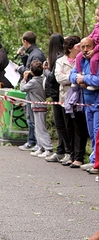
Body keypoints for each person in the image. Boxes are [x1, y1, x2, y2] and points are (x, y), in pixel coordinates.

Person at [55, 35, 88, 169]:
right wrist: (74, 77)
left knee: (79, 127)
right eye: (78, 46)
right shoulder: (61, 61)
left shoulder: (83, 60)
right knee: (68, 126)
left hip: (80, 98)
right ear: (70, 48)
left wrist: (73, 77)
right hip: (65, 97)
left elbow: (84, 76)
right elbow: (59, 77)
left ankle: (79, 156)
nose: (81, 48)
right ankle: (71, 154)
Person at [70, 37, 99, 176]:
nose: (86, 50)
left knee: (97, 132)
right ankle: (94, 160)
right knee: (92, 134)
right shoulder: (81, 60)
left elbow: (98, 79)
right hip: (87, 103)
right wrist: (77, 79)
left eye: (88, 46)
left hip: (97, 102)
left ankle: (96, 162)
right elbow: (72, 75)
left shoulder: (96, 60)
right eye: (83, 47)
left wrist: (84, 79)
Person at [42, 33, 72, 164]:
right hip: (56, 93)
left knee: (62, 123)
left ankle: (67, 150)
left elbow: (53, 77)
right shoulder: (57, 58)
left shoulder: (59, 58)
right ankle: (60, 150)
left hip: (58, 93)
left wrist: (46, 71)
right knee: (60, 123)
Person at [15, 31, 46, 152]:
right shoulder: (33, 53)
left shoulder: (36, 54)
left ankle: (36, 142)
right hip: (32, 89)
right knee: (31, 117)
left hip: (33, 90)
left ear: (25, 41)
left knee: (33, 119)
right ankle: (32, 140)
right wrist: (23, 57)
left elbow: (32, 71)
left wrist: (20, 69)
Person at [20, 60, 53, 158]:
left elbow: (23, 88)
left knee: (41, 129)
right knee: (38, 129)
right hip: (39, 107)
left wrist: (24, 79)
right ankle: (41, 147)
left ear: (31, 71)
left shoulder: (33, 82)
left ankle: (48, 148)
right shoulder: (42, 79)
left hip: (39, 107)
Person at [74, 6, 99, 88]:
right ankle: (80, 73)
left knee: (93, 60)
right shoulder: (96, 27)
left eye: (98, 15)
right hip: (92, 47)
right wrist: (82, 43)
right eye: (95, 15)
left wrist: (94, 50)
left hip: (97, 49)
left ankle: (93, 77)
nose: (96, 17)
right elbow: (90, 36)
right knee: (78, 56)